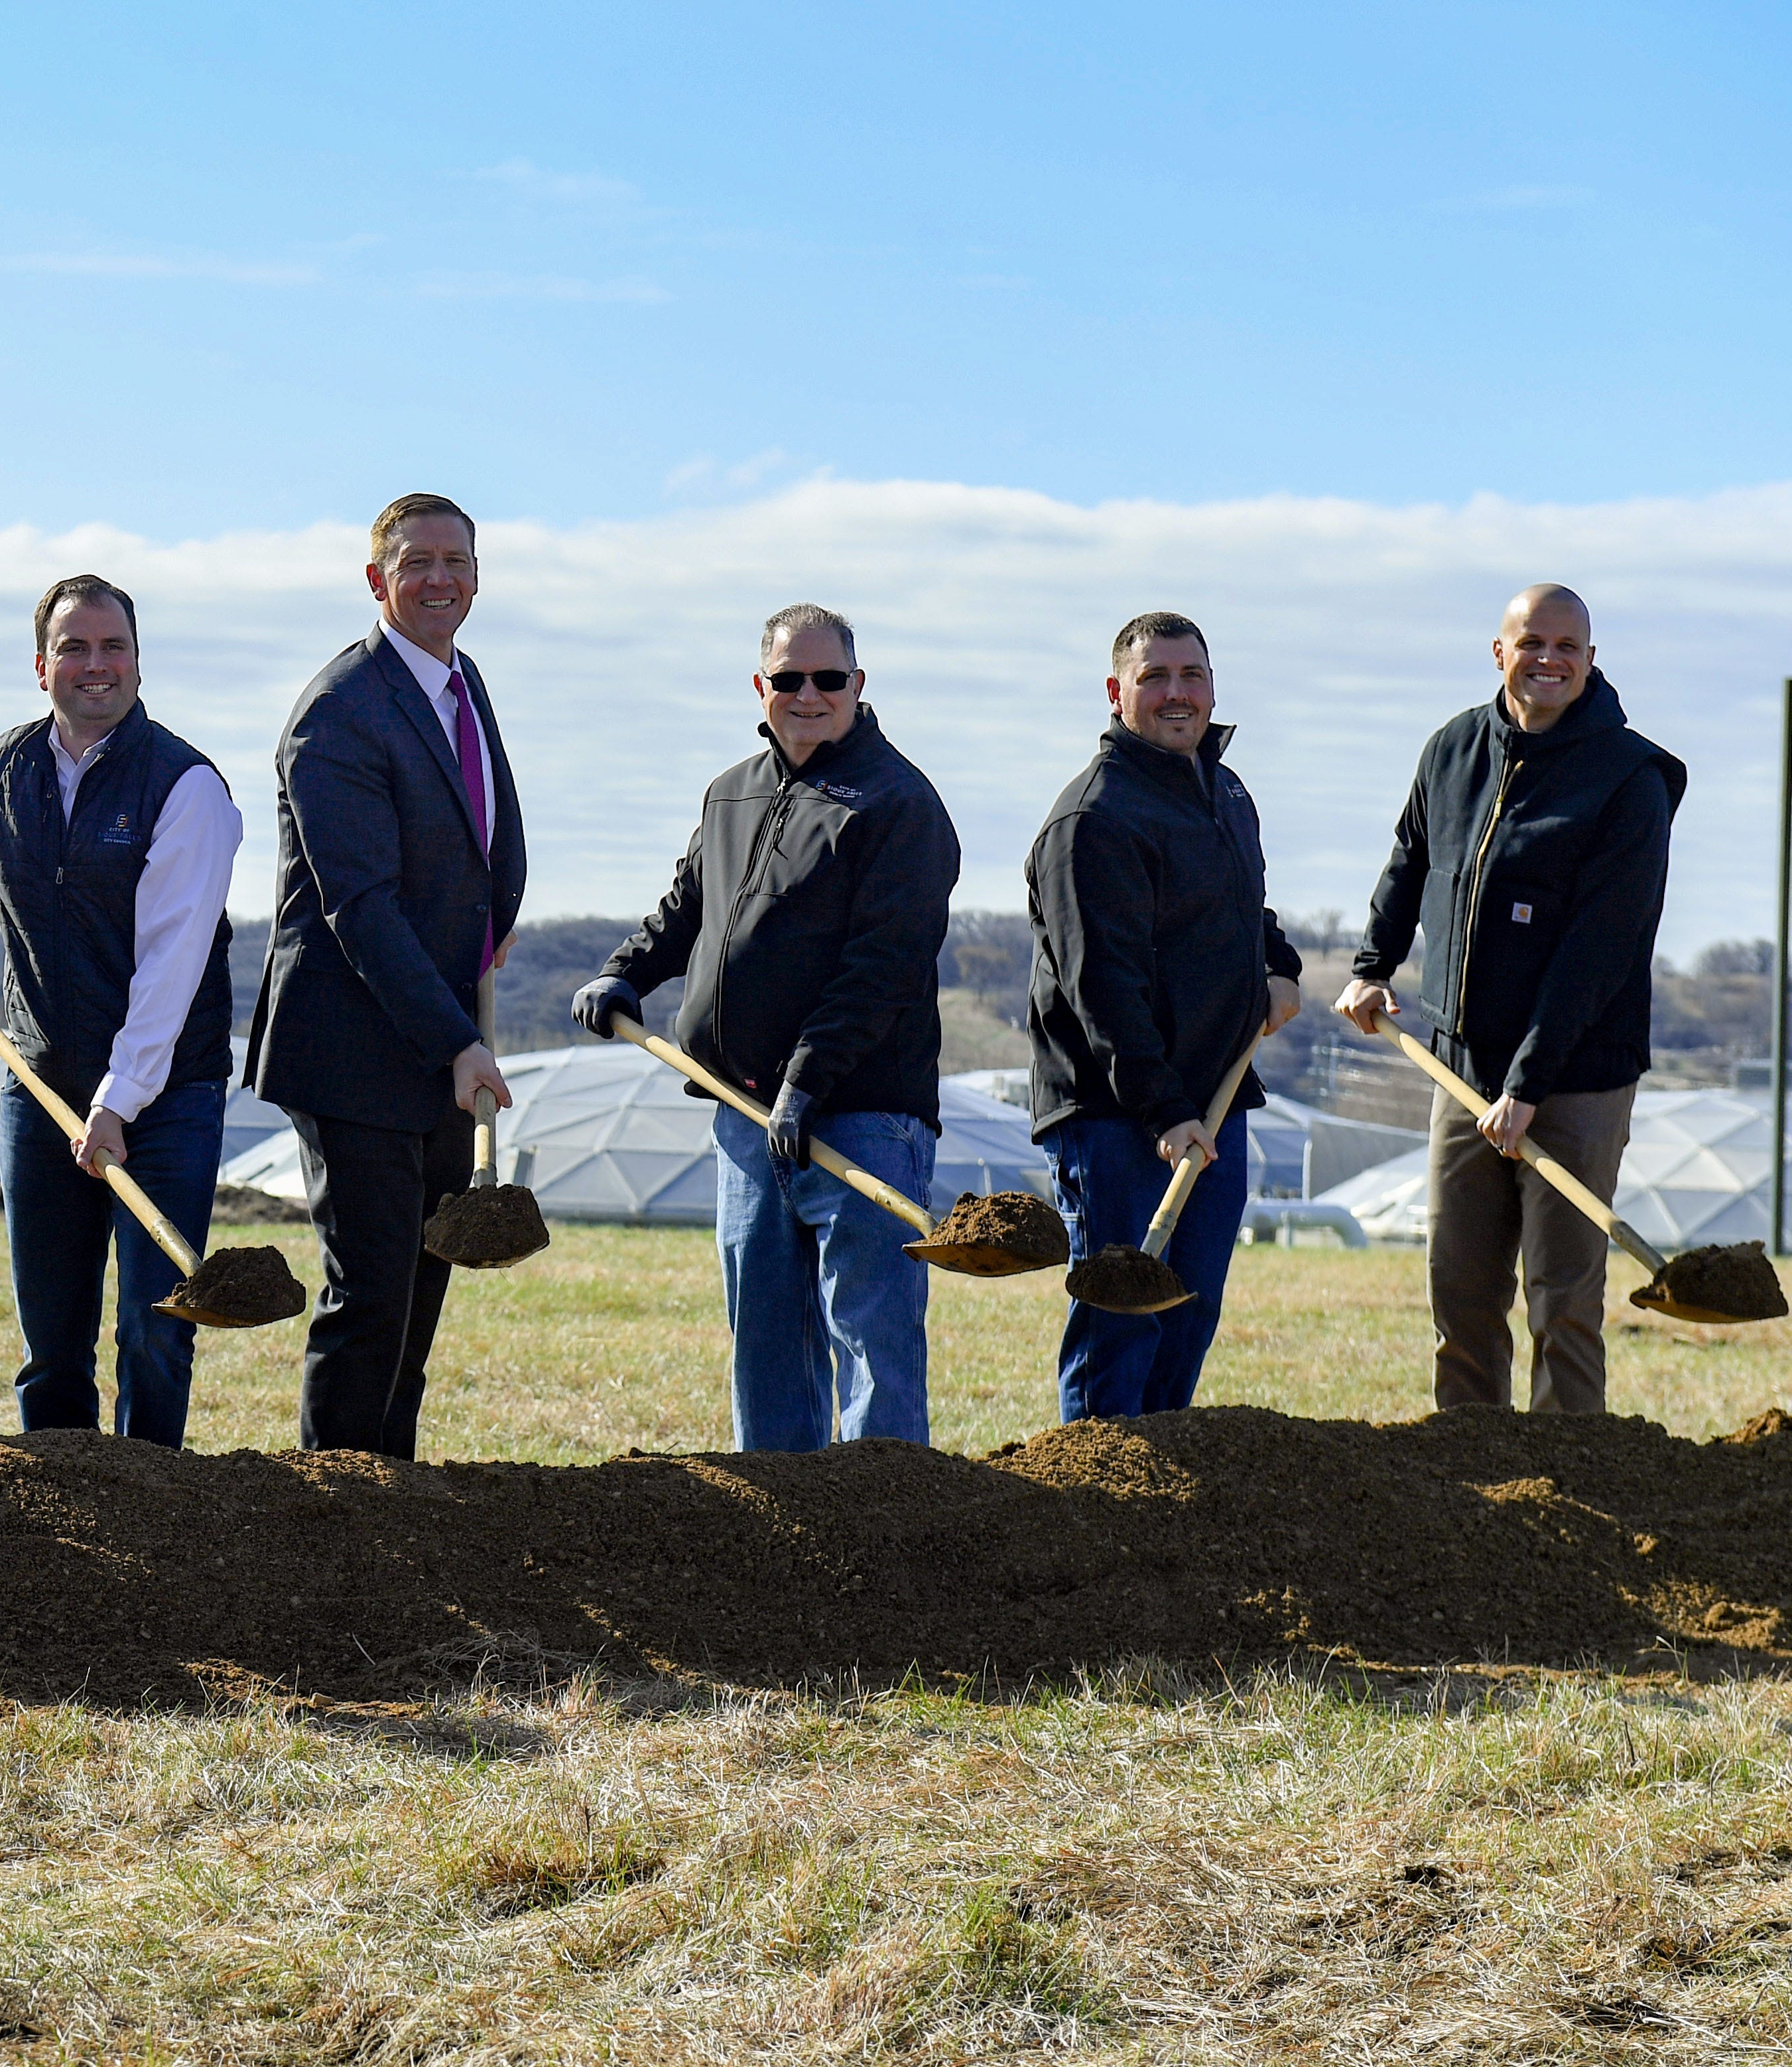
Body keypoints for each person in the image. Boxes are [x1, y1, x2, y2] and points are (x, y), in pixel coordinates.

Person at [573, 603, 957, 1451]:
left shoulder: (900, 804)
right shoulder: (731, 792)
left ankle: (885, 1530)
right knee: (767, 1349)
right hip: (746, 1121)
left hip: (861, 1121)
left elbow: (884, 966)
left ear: (859, 686)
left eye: (829, 679)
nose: (809, 695)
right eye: (790, 679)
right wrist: (624, 972)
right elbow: (687, 910)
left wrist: (809, 1079)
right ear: (763, 686)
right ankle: (783, 1545)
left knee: (872, 1346)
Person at [1338, 584, 1682, 1416]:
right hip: (1462, 1071)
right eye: (1532, 642)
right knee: (1459, 1295)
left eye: (1569, 645)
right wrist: (1374, 962)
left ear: (1592, 660)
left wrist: (1528, 1085)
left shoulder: (1628, 780)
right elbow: (1410, 862)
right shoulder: (1453, 750)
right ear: (1499, 651)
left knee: (1561, 1302)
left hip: (1576, 1080)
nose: (1550, 659)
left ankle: (1572, 1491)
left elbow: (1598, 954)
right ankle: (1472, 1490)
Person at [0, 574, 244, 1445]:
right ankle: (61, 1534)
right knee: (52, 1346)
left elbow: (172, 967)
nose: (95, 665)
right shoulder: (0, 770)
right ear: (42, 666)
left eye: (113, 648)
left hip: (169, 1092)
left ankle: (151, 1524)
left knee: (154, 1331)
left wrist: (118, 1103)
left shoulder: (187, 789)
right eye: (75, 647)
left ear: (139, 664)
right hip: (41, 1082)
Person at [250, 494, 525, 1460]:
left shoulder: (463, 682)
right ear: (377, 581)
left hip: (438, 1021)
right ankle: (333, 1506)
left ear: (479, 577)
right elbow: (358, 906)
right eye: (415, 562)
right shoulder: (340, 712)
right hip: (353, 1039)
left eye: (456, 560)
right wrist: (457, 1041)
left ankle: (393, 1494)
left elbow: (487, 840)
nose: (439, 578)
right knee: (370, 1290)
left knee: (424, 1277)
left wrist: (492, 929)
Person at [1023, 612, 1302, 1419]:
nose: (1178, 694)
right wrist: (1164, 1109)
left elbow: (1242, 905)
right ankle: (1095, 1500)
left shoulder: (1224, 789)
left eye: (1193, 676)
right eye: (1155, 678)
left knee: (1189, 1311)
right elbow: (1100, 986)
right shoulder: (1094, 818)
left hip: (1212, 1099)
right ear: (1118, 693)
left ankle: (1159, 1500)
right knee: (1122, 1322)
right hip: (1118, 1113)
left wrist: (1277, 966)